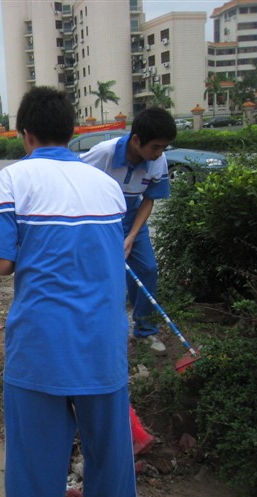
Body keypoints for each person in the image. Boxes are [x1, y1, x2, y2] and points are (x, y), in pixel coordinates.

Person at [0, 86, 136, 497]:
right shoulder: (105, 184)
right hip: (103, 342)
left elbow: (0, 264)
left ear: (26, 134)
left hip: (41, 345)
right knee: (111, 459)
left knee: (34, 463)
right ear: (70, 132)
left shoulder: (13, 179)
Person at [80, 107, 176, 355]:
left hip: (133, 218)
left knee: (147, 269)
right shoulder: (104, 153)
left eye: (163, 147)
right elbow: (76, 185)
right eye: (155, 147)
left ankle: (145, 330)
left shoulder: (158, 161)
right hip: (100, 220)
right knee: (102, 274)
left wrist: (131, 236)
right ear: (136, 140)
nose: (159, 153)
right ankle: (97, 331)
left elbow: (148, 200)